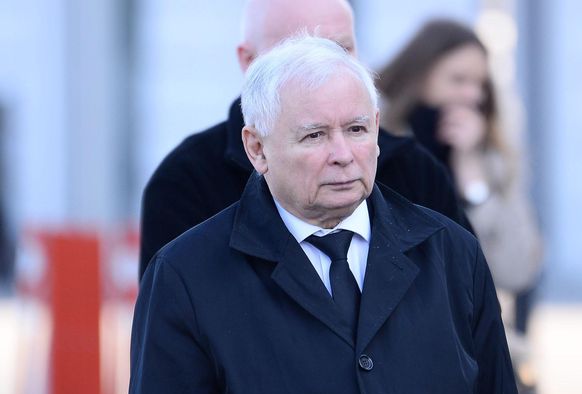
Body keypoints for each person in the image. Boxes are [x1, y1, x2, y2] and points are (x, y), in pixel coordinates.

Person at [128, 34, 520, 394]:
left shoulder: (452, 253)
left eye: (356, 130)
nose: (343, 155)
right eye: (315, 135)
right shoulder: (186, 276)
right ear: (257, 148)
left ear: (377, 128)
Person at [138, 0, 472, 278]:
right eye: (298, 54)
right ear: (248, 60)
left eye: (340, 49)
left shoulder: (416, 172)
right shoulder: (185, 181)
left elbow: (468, 314)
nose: (325, 68)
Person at [378, 18, 542, 312]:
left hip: (462, 323)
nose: (473, 95)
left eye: (480, 84)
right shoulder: (376, 145)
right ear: (418, 75)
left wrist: (472, 175)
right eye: (458, 79)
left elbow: (516, 270)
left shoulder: (492, 156)